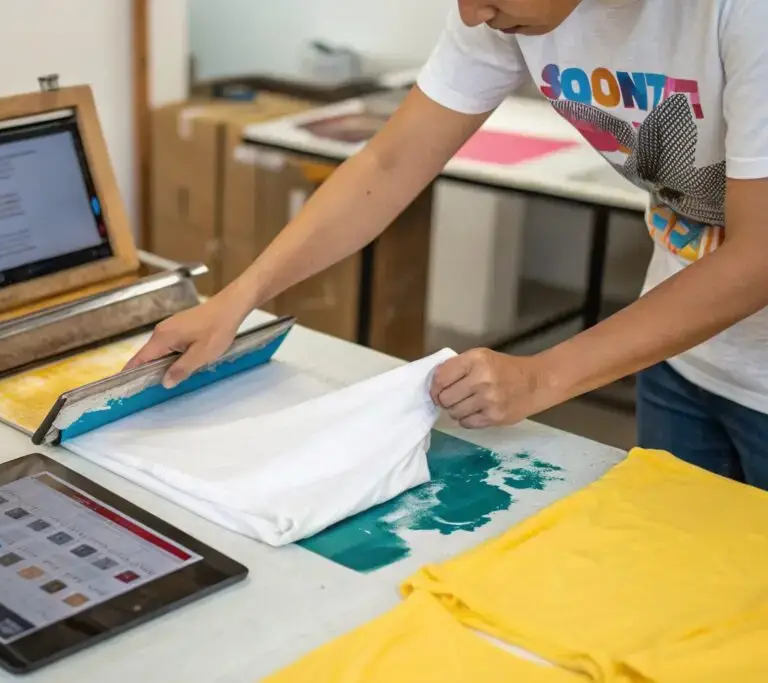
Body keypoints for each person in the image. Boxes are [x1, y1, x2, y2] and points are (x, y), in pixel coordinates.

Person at [127, 0, 768, 489]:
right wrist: (239, 299)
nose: (469, 12)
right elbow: (389, 163)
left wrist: (542, 375)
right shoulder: (499, 12)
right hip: (681, 352)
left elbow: (756, 257)